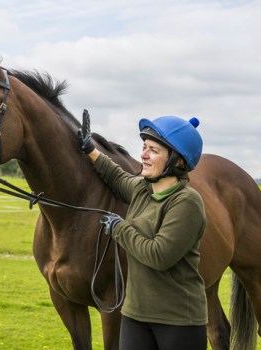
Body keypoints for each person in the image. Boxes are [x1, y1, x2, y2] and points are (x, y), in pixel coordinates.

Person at [78, 110, 208, 350]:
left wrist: (119, 228)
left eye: (154, 151)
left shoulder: (186, 202)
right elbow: (116, 177)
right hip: (134, 315)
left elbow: (159, 255)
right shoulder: (142, 189)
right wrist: (90, 150)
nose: (143, 155)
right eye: (144, 147)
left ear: (177, 161)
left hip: (178, 321)